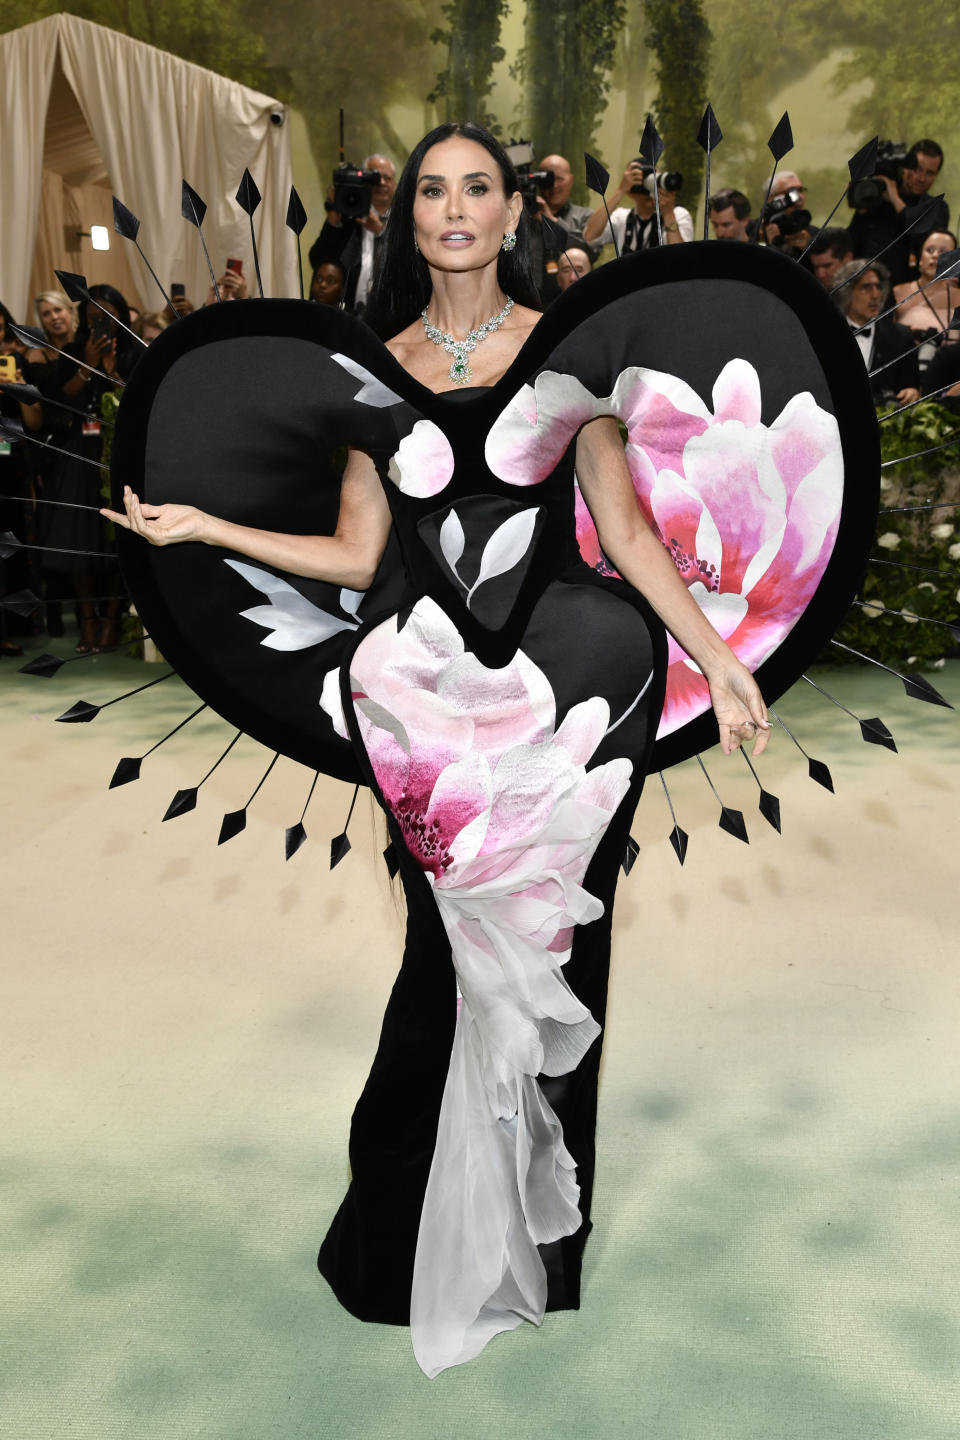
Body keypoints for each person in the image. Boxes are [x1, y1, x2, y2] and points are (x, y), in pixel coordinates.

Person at [103, 121, 771, 1378]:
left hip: (576, 694)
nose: (456, 209)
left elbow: (625, 535)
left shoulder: (571, 358)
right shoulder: (370, 375)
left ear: (514, 215)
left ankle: (534, 1241)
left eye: (479, 190)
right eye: (434, 192)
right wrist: (207, 527)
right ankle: (400, 1235)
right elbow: (361, 559)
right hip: (429, 709)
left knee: (566, 953)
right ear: (407, 219)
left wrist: (720, 659)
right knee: (437, 957)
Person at [309, 154, 396, 315]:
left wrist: (381, 232)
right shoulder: (348, 217)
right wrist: (333, 223)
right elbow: (317, 261)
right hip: (347, 314)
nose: (381, 183)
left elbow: (406, 265)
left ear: (395, 184)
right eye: (375, 178)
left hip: (388, 314)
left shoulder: (404, 220)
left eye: (387, 178)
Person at [831, 259, 921, 406]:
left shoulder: (901, 336)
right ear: (846, 292)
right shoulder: (829, 335)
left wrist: (912, 392)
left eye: (878, 287)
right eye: (866, 288)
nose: (875, 295)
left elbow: (911, 386)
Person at [583, 159, 693, 251]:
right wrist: (621, 191)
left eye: (654, 179)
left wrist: (668, 214)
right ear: (631, 193)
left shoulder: (678, 215)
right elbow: (590, 236)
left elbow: (681, 258)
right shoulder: (622, 217)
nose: (649, 187)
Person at [892, 230, 958, 336]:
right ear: (920, 258)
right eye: (930, 250)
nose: (935, 255)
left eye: (943, 252)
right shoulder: (897, 293)